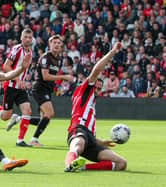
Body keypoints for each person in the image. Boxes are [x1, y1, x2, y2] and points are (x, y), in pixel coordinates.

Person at [64, 42, 127, 172]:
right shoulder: (84, 89)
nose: (97, 89)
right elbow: (97, 70)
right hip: (78, 130)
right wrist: (112, 52)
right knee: (78, 145)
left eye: (100, 88)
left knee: (121, 163)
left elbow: (89, 133)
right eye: (96, 86)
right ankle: (69, 164)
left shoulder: (91, 102)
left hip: (91, 139)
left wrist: (101, 142)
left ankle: (82, 167)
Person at [0, 28, 37, 147]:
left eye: (30, 37)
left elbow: (25, 70)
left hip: (20, 87)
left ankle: (20, 141)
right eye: (25, 37)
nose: (27, 39)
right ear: (21, 38)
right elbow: (6, 67)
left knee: (27, 111)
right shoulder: (17, 49)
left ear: (32, 39)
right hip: (11, 85)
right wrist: (17, 80)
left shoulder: (30, 52)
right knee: (5, 116)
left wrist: (25, 80)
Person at [28, 35, 73, 146]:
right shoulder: (45, 57)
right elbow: (45, 76)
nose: (57, 45)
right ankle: (34, 140)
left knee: (44, 120)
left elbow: (51, 76)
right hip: (39, 88)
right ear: (50, 44)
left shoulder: (58, 59)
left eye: (59, 43)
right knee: (50, 113)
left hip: (47, 90)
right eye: (55, 43)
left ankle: (20, 119)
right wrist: (63, 77)